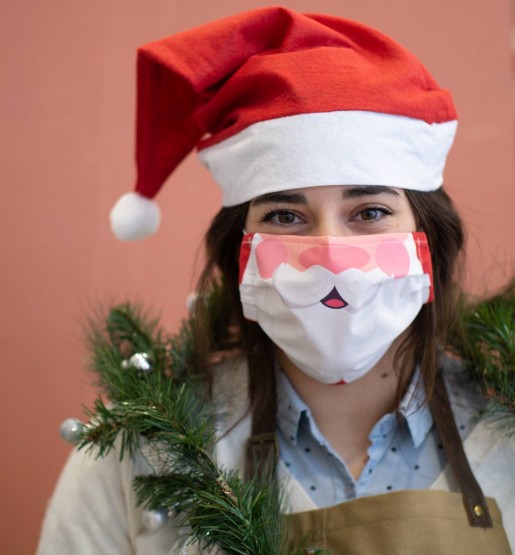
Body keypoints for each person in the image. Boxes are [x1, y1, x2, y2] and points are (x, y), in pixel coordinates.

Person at [38, 7, 515, 554]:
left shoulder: (507, 425)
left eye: (371, 212)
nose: (331, 255)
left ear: (428, 244)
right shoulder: (140, 449)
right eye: (286, 216)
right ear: (239, 256)